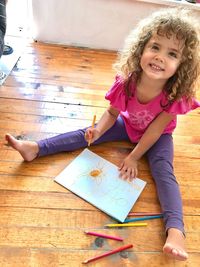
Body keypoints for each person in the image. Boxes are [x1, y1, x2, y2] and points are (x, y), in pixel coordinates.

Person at [5, 8, 200, 261]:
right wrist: (97, 131)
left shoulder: (174, 95)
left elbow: (155, 130)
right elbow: (111, 112)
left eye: (172, 54)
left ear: (182, 65)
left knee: (164, 170)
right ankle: (36, 148)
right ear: (141, 48)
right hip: (126, 124)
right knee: (85, 133)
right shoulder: (127, 81)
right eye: (155, 47)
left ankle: (176, 231)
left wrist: (133, 156)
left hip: (157, 136)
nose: (160, 57)